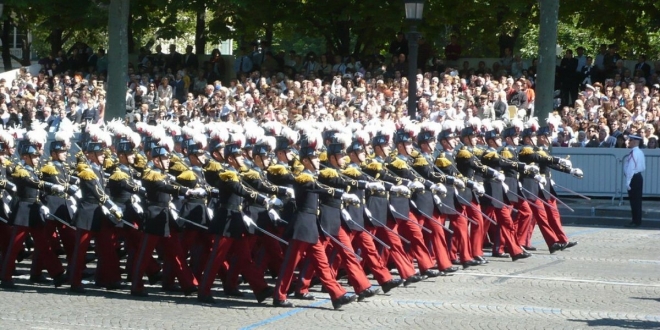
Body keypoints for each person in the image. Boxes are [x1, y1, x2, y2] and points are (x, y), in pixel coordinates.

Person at [623, 134, 645, 227]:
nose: (629, 142)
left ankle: (635, 221)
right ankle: (637, 220)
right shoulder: (640, 152)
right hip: (638, 176)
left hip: (634, 178)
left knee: (634, 200)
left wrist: (628, 182)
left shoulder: (633, 153)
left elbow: (631, 168)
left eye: (631, 140)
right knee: (637, 200)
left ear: (635, 142)